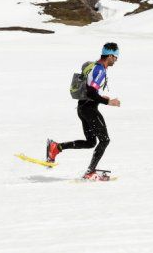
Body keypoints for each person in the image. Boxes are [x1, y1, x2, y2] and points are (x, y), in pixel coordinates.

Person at [46, 42, 121, 180]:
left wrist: (99, 97)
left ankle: (56, 147)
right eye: (116, 57)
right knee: (105, 140)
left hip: (83, 107)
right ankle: (90, 172)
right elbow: (91, 92)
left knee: (91, 142)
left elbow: (90, 90)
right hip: (89, 109)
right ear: (110, 56)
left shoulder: (94, 66)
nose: (116, 60)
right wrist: (108, 102)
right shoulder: (100, 69)